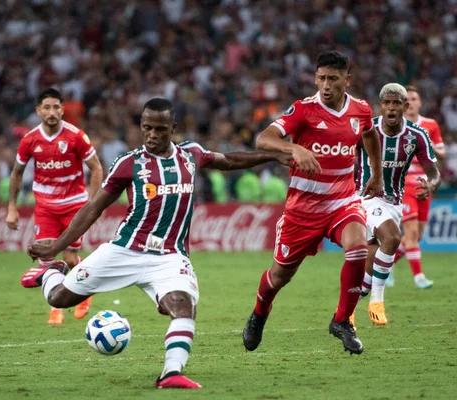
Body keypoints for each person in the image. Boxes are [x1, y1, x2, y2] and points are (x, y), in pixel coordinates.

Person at [23, 98, 292, 389]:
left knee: (183, 306)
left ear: (173, 128)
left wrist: (271, 157)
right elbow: (92, 209)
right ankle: (49, 273)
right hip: (124, 250)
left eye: (160, 129)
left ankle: (170, 373)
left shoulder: (191, 154)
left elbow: (229, 160)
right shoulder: (129, 163)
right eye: (147, 127)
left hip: (169, 257)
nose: (152, 134)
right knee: (59, 299)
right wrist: (54, 249)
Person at [243, 50, 383, 355]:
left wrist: (376, 173)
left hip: (342, 202)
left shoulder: (360, 109)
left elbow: (370, 135)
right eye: (321, 78)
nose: (326, 85)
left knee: (358, 247)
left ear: (347, 80)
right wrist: (295, 149)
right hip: (302, 211)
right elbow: (263, 140)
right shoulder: (303, 111)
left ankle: (342, 320)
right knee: (279, 277)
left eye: (333, 79)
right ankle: (259, 314)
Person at [7, 88, 103, 325]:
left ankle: (84, 293)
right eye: (47, 107)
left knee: (70, 259)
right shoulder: (30, 140)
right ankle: (55, 307)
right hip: (45, 208)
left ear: (62, 109)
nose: (52, 112)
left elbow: (97, 168)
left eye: (56, 107)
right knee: (46, 260)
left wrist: (93, 204)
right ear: (38, 110)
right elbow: (17, 173)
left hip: (74, 206)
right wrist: (12, 207)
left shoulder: (76, 136)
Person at [354, 83, 440, 327]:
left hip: (395, 201)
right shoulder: (365, 129)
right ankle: (377, 302)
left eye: (396, 103)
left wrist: (431, 184)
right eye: (386, 103)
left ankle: (347, 307)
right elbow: (343, 156)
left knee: (373, 259)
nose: (391, 107)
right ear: (380, 106)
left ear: (405, 106)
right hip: (365, 197)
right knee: (393, 238)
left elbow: (433, 171)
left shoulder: (416, 135)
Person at [391, 85, 446, 289]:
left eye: (415, 99)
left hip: (425, 185)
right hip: (404, 184)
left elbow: (441, 153)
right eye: (408, 99)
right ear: (403, 104)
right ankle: (419, 277)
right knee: (411, 233)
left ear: (420, 102)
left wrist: (425, 142)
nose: (412, 103)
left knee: (417, 236)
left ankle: (385, 266)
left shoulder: (430, 125)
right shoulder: (395, 126)